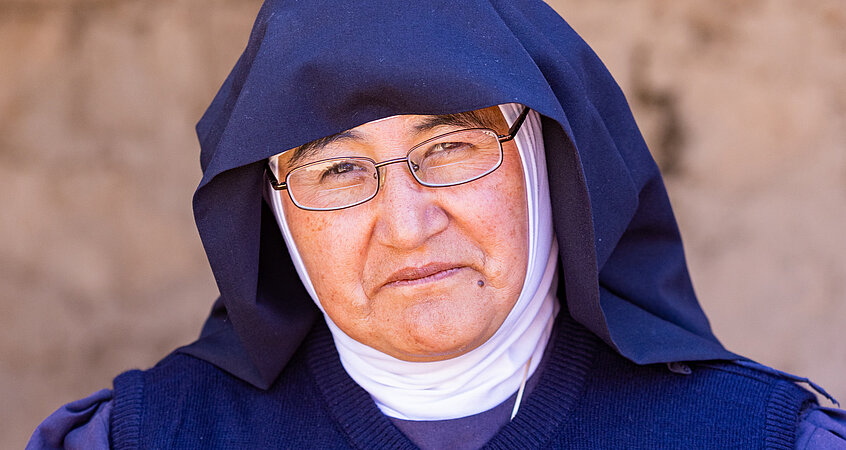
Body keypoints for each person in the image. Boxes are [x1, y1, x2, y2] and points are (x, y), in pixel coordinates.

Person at [28, 1, 846, 448]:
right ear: (273, 212)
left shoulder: (761, 441)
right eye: (338, 170)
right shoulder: (146, 440)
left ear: (549, 167)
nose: (407, 225)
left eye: (452, 148)